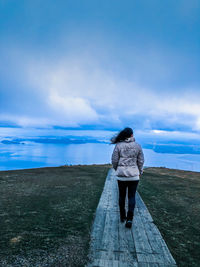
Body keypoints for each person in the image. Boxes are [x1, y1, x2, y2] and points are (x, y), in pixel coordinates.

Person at [111, 127, 144, 228]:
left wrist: (117, 169)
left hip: (122, 176)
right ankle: (130, 218)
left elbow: (114, 160)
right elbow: (141, 161)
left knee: (121, 196)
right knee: (132, 196)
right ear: (132, 135)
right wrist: (140, 171)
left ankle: (122, 216)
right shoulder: (138, 146)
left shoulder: (118, 146)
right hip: (134, 176)